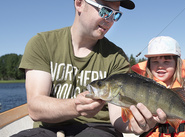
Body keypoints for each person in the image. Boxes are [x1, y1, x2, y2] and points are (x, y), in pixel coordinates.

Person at [14, 0, 166, 136]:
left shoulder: (116, 57)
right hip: (47, 129)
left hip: (100, 129)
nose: (110, 20)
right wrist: (75, 106)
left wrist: (134, 126)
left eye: (116, 15)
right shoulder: (42, 44)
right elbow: (35, 107)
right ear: (79, 3)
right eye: (105, 11)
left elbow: (117, 117)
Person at [131, 36, 185, 137]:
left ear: (177, 64)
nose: (160, 66)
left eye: (166, 62)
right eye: (155, 61)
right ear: (149, 64)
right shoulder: (142, 89)